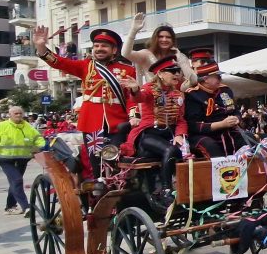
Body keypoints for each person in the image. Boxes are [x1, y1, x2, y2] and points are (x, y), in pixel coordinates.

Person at [33, 25, 137, 178]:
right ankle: (97, 194)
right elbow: (59, 62)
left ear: (114, 50)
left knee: (116, 158)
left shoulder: (127, 70)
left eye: (104, 46)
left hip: (118, 123)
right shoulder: (85, 66)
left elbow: (131, 98)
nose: (99, 48)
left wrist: (134, 115)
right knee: (95, 161)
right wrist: (42, 47)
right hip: (92, 122)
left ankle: (118, 190)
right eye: (96, 46)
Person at [122, 57, 188, 206]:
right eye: (172, 71)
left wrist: (179, 135)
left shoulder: (178, 94)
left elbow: (181, 120)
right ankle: (165, 190)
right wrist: (134, 89)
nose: (177, 74)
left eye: (178, 71)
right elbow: (140, 97)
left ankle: (186, 188)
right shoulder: (148, 89)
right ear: (160, 74)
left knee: (187, 153)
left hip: (168, 134)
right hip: (148, 134)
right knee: (170, 150)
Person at [0, 106, 46, 216]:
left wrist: (43, 147)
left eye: (20, 113)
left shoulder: (28, 127)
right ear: (10, 115)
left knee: (14, 183)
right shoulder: (1, 127)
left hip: (23, 159)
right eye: (16, 114)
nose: (18, 115)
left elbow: (38, 139)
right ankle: (26, 207)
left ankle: (10, 206)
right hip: (5, 159)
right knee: (17, 181)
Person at [184, 60, 246, 158]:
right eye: (217, 77)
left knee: (248, 140)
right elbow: (193, 125)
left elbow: (235, 111)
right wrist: (221, 124)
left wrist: (237, 118)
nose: (220, 79)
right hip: (205, 134)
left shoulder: (226, 90)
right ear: (205, 79)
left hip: (228, 131)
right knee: (211, 146)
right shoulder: (192, 95)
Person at [123, 13, 195, 90]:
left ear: (173, 40)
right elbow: (126, 53)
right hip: (152, 98)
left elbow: (193, 80)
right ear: (155, 39)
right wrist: (133, 30)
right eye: (160, 37)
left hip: (175, 99)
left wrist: (179, 57)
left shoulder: (180, 57)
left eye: (168, 37)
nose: (164, 39)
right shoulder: (146, 54)